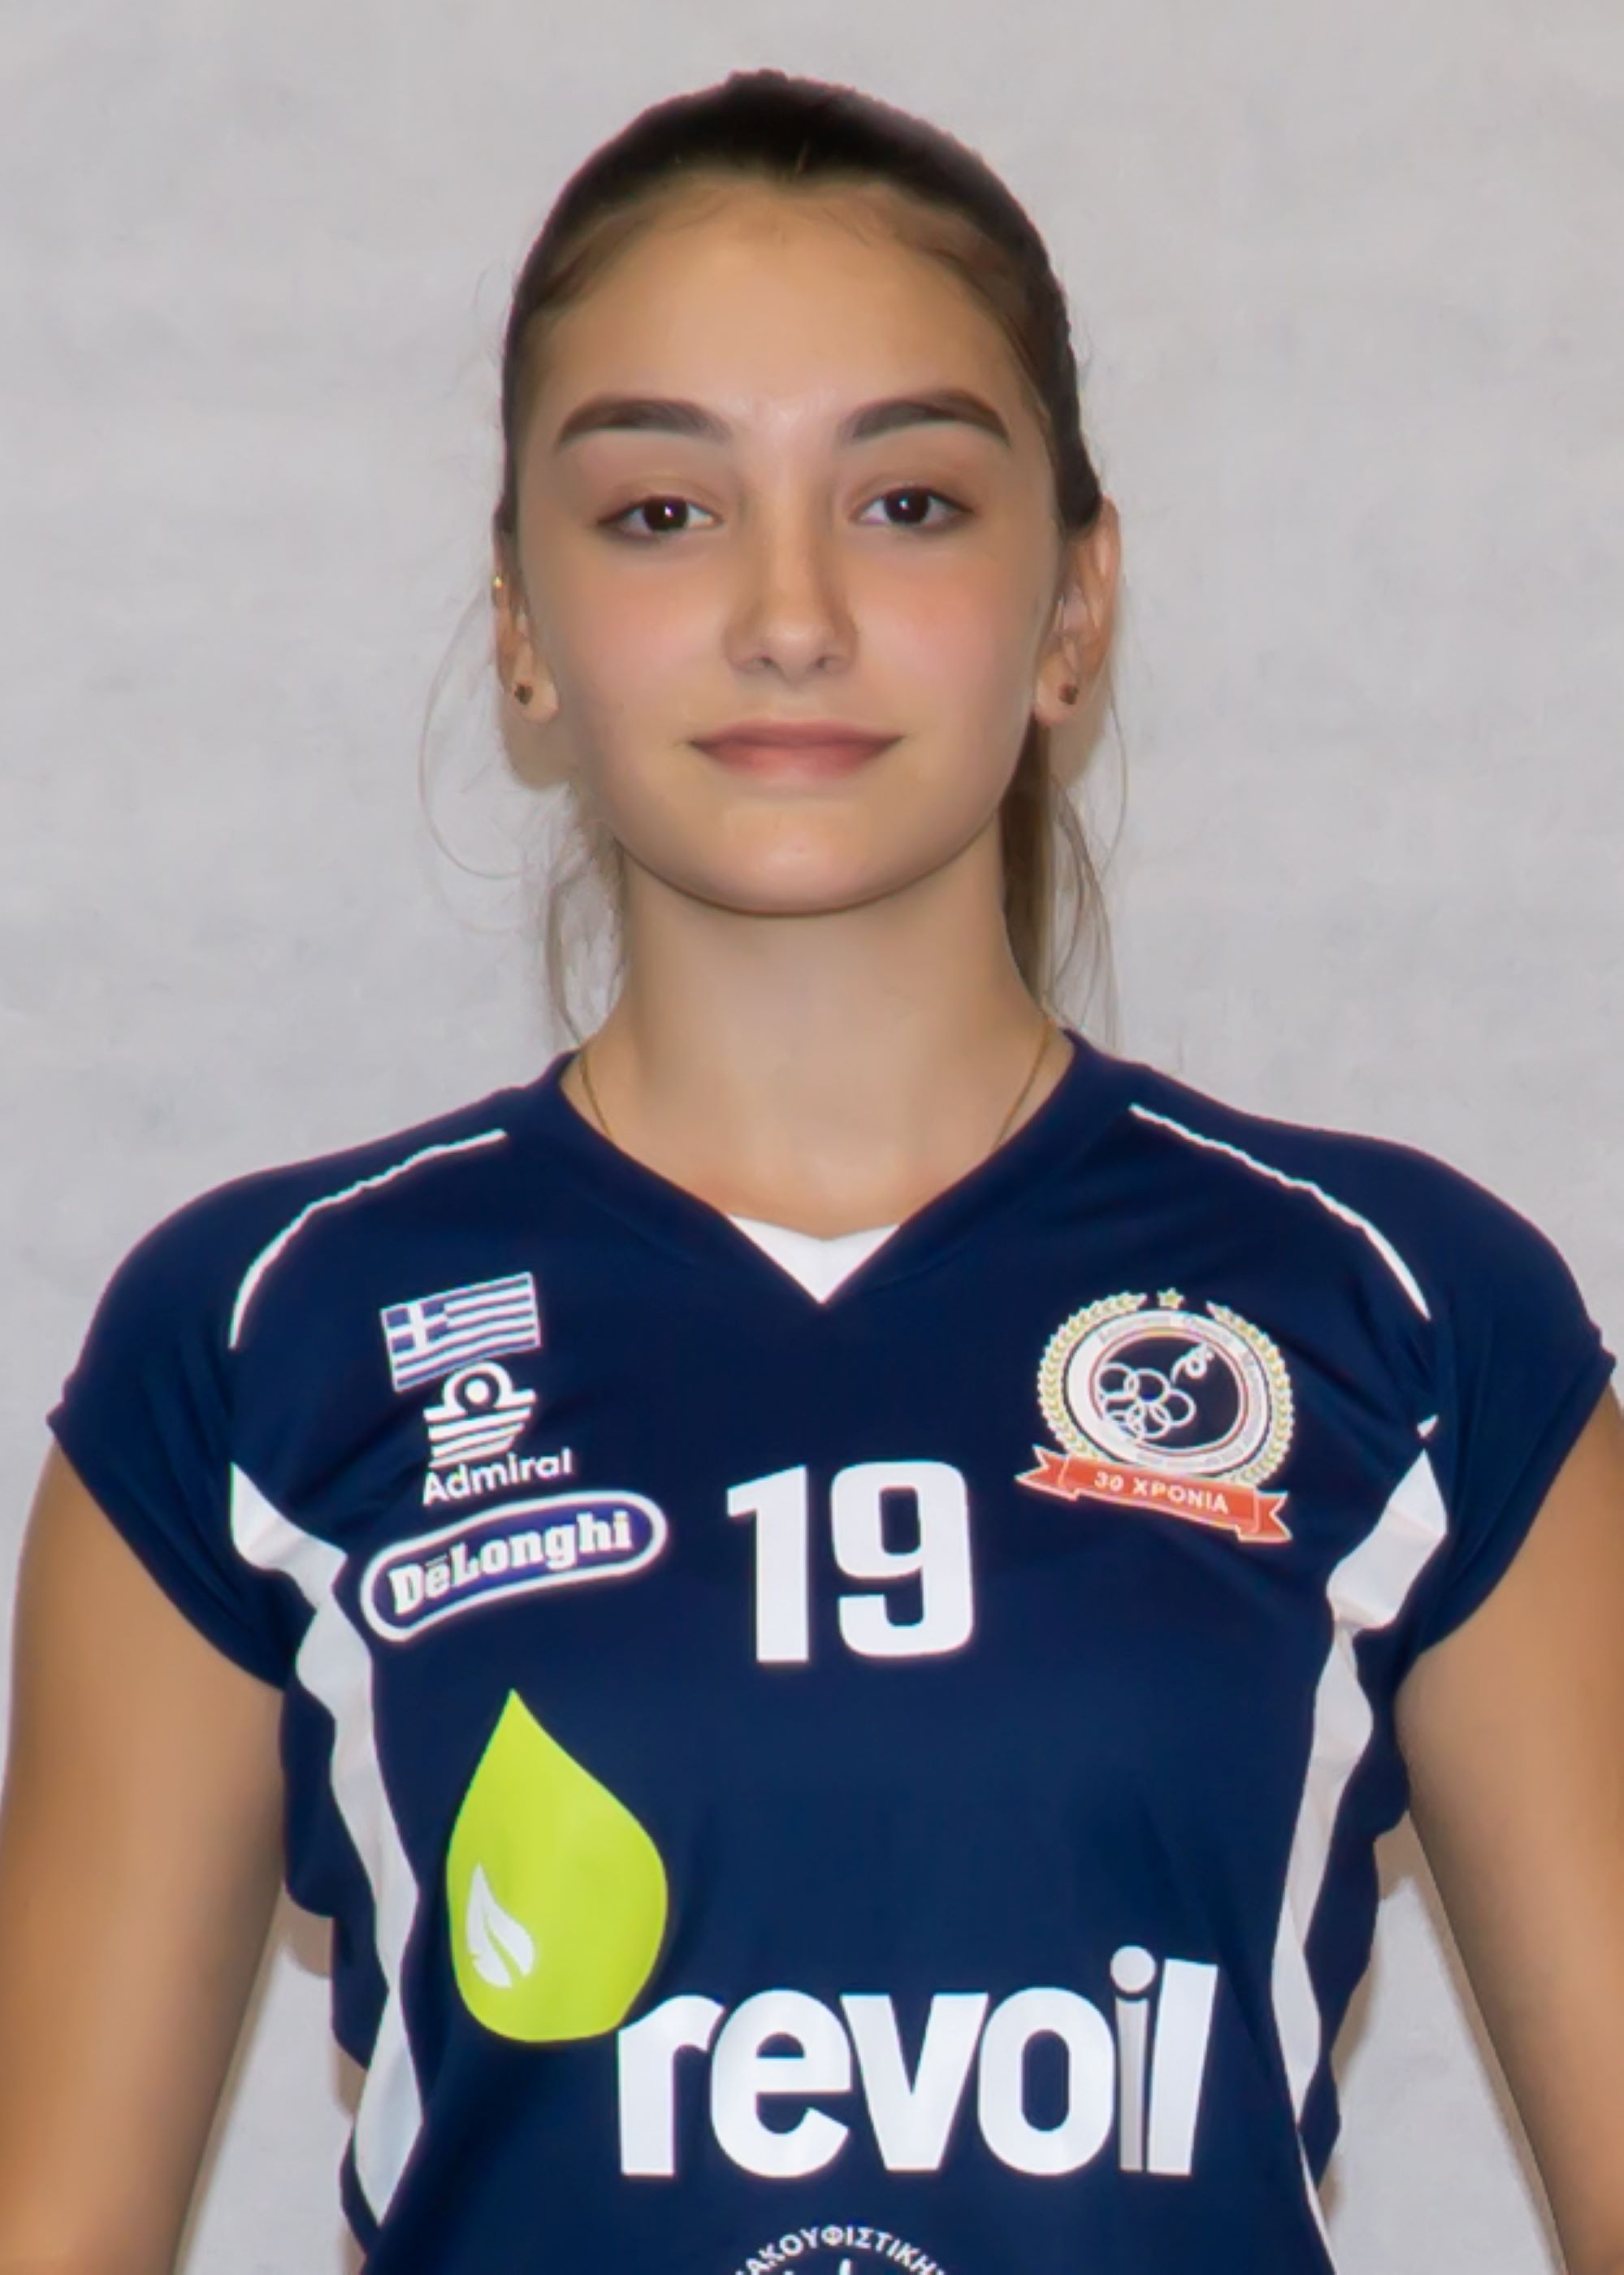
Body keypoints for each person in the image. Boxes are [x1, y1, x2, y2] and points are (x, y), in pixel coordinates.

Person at [0, 63, 1620, 2275]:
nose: (790, 613)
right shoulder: (256, 1346)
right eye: (663, 509)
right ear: (518, 619)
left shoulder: (1410, 1319)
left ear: (1076, 606)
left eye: (909, 502)